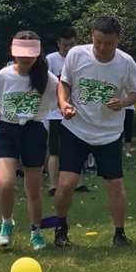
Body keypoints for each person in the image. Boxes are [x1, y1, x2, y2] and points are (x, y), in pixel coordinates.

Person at [53, 16, 136, 247]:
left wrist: (123, 102)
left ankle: (120, 233)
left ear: (117, 40)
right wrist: (63, 104)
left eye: (109, 43)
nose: (103, 48)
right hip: (76, 129)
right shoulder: (76, 55)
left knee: (114, 185)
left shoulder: (126, 63)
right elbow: (64, 83)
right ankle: (60, 229)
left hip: (109, 133)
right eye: (98, 42)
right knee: (66, 183)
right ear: (92, 36)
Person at [0, 32, 58, 251]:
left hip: (33, 131)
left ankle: (36, 231)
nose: (25, 58)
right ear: (13, 52)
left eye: (30, 54)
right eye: (20, 54)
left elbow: (62, 99)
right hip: (7, 129)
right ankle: (6, 223)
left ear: (38, 54)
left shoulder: (48, 79)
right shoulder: (3, 76)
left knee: (33, 188)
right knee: (5, 182)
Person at [45, 28, 77, 195]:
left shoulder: (79, 59)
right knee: (55, 150)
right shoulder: (51, 60)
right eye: (65, 45)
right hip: (55, 113)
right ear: (59, 44)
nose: (68, 48)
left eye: (71, 45)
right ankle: (52, 184)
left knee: (75, 149)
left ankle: (78, 183)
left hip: (75, 112)